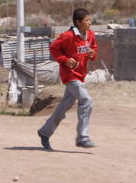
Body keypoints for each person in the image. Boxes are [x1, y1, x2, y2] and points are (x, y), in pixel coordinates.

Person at [37, 8, 98, 150]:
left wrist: (91, 53)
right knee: (86, 100)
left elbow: (93, 50)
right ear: (78, 22)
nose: (90, 23)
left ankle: (44, 132)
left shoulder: (90, 35)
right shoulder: (68, 36)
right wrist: (64, 60)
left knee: (64, 106)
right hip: (70, 76)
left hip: (81, 75)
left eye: (90, 20)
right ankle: (83, 137)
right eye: (87, 20)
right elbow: (53, 48)